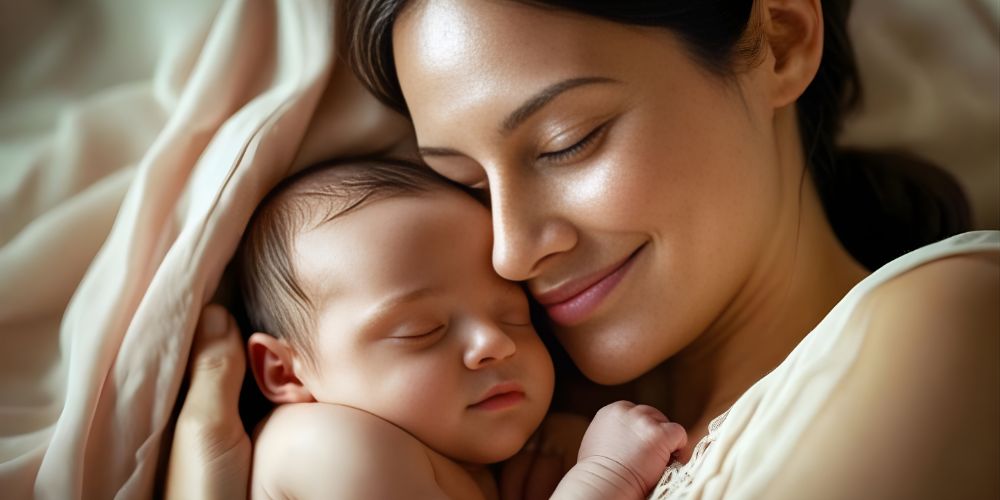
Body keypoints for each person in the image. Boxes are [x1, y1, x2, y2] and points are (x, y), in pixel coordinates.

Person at [167, 0, 999, 499]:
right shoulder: (482, 435)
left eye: (569, 141)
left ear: (778, 40)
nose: (510, 252)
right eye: (471, 188)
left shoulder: (956, 319)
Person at [229, 157, 687, 499]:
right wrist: (605, 475)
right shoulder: (324, 445)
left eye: (516, 315)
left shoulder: (455, 457)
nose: (496, 342)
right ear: (285, 372)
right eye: (422, 330)